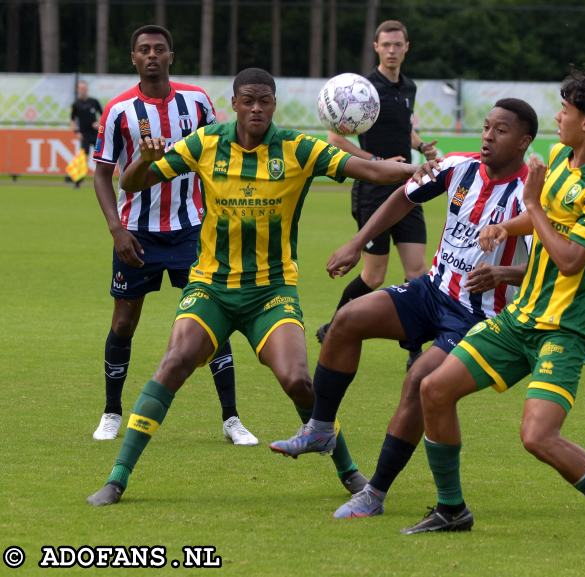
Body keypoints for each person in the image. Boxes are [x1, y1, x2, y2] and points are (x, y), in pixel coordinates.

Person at [86, 66, 422, 507]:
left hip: (271, 291)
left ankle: (348, 471)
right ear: (235, 104)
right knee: (173, 363)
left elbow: (366, 170)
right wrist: (146, 158)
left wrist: (420, 169)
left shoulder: (298, 148)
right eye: (249, 100)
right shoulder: (205, 143)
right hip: (211, 287)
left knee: (299, 381)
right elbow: (130, 183)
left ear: (274, 104)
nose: (257, 108)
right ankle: (117, 478)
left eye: (265, 100)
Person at [400, 72, 585, 549]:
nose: (558, 116)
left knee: (537, 438)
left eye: (565, 110)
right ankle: (451, 509)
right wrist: (507, 227)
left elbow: (569, 259)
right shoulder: (557, 159)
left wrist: (530, 201)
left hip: (563, 330)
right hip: (517, 319)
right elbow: (541, 215)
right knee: (434, 389)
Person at [269, 99, 537, 519]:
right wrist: (357, 243)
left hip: (476, 316)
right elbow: (402, 197)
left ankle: (374, 493)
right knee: (347, 319)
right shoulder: (457, 167)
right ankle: (321, 428)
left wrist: (504, 273)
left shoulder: (530, 196)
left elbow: (547, 267)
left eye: (500, 131)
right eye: (486, 127)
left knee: (418, 381)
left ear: (524, 141)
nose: (487, 136)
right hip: (431, 291)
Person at [91, 25, 257, 445]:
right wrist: (116, 230)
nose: (151, 55)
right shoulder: (118, 111)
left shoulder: (197, 101)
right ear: (133, 58)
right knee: (124, 322)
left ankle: (232, 419)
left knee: (212, 321)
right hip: (137, 234)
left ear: (171, 55)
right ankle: (111, 412)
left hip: (191, 232)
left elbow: (217, 156)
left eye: (159, 49)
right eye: (144, 50)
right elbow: (103, 174)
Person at [317, 19, 439, 371]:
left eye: (397, 44)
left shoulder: (409, 87)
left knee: (418, 273)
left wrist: (420, 146)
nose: (391, 50)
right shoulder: (361, 89)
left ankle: (414, 347)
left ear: (406, 47)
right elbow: (336, 139)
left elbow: (405, 125)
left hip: (410, 187)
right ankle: (336, 326)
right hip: (373, 190)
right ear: (376, 47)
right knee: (374, 276)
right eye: (385, 44)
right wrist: (377, 162)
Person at [68, 80, 103, 188]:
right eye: (81, 88)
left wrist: (98, 123)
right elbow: (72, 120)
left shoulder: (94, 102)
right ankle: (78, 180)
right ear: (78, 90)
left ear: (87, 89)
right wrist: (76, 132)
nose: (83, 90)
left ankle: (101, 179)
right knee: (83, 157)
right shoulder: (76, 104)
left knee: (100, 157)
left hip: (96, 135)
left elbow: (104, 115)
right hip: (85, 135)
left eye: (84, 88)